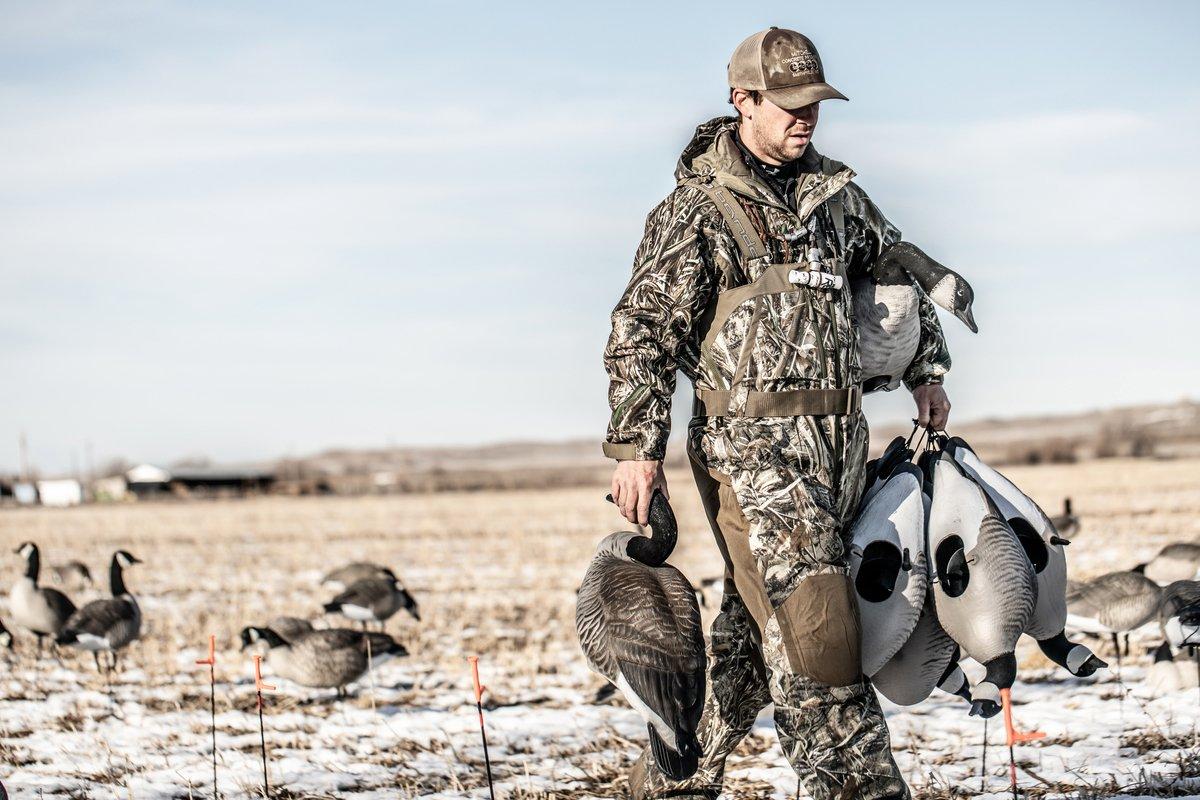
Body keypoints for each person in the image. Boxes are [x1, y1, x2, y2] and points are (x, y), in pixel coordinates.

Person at [602, 27, 953, 800]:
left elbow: (894, 269)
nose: (806, 119)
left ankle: (665, 785)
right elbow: (640, 331)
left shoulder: (840, 198)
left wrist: (926, 366)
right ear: (743, 101)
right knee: (818, 640)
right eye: (789, 105)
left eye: (814, 105)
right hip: (750, 456)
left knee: (747, 647)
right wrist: (637, 446)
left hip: (840, 452)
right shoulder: (698, 210)